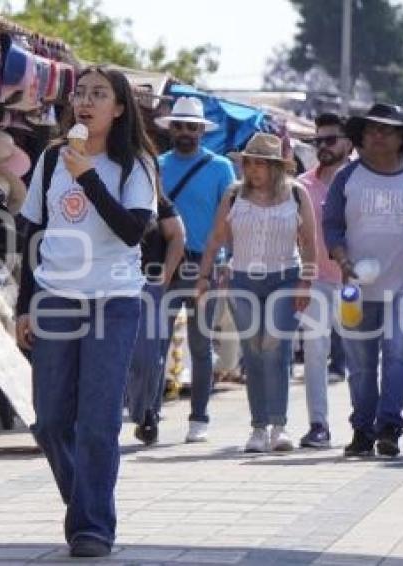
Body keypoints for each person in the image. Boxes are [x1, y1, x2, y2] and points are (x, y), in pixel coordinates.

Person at [14, 66, 159, 558]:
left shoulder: (134, 165)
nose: (86, 101)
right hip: (55, 296)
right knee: (51, 420)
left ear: (119, 108)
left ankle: (93, 525)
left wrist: (90, 177)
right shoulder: (52, 159)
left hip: (114, 300)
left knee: (97, 421)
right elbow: (30, 231)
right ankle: (86, 506)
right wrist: (24, 306)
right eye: (81, 92)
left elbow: (133, 231)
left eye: (100, 94)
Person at [323, 103, 403, 458]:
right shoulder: (348, 176)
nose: (376, 135)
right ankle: (362, 428)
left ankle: (388, 426)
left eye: (386, 130)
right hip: (355, 286)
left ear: (401, 138)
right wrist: (342, 260)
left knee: (397, 353)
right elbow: (331, 225)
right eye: (370, 129)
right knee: (359, 363)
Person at [195, 133, 316, 452]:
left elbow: (309, 244)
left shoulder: (297, 194)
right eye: (248, 162)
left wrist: (307, 283)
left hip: (286, 277)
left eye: (260, 163)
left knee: (275, 347)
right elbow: (216, 238)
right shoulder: (234, 195)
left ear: (276, 167)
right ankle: (258, 428)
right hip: (242, 279)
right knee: (253, 349)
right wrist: (204, 277)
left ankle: (279, 426)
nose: (253, 169)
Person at [154, 97, 237, 443]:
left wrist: (228, 261)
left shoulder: (221, 169)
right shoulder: (156, 165)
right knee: (154, 342)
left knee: (201, 345)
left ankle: (199, 416)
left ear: (203, 130)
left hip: (206, 265)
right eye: (179, 126)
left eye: (192, 127)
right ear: (170, 129)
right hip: (164, 264)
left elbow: (230, 219)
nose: (186, 132)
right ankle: (149, 412)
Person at [296, 112, 353, 448]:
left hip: (355, 284)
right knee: (315, 353)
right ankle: (319, 424)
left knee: (361, 355)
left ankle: (366, 422)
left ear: (348, 142)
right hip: (315, 280)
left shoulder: (363, 180)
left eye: (330, 140)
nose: (323, 147)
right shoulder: (301, 185)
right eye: (318, 141)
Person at [126, 192, 185, 445]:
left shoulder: (156, 199)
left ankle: (145, 412)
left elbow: (177, 235)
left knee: (148, 357)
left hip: (147, 285)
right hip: (104, 285)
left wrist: (166, 274)